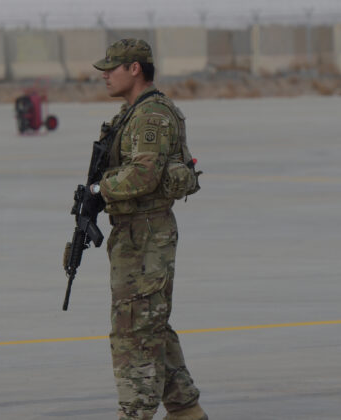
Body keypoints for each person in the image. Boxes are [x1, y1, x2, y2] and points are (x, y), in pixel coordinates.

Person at [89, 39, 207, 420]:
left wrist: (98, 190)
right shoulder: (131, 113)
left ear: (135, 68)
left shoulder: (151, 115)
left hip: (146, 234)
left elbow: (143, 175)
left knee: (134, 329)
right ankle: (186, 410)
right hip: (135, 233)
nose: (105, 75)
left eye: (113, 67)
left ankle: (135, 411)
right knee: (151, 322)